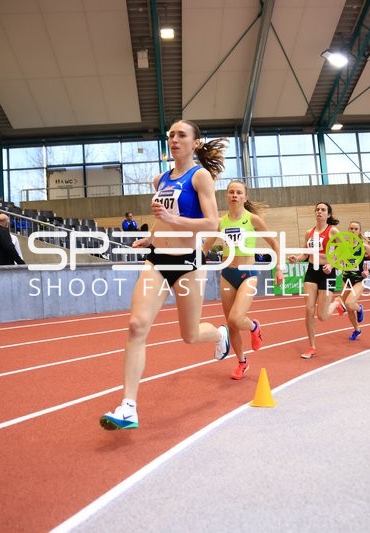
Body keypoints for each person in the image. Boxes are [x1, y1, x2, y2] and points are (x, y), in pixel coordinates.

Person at [100, 119, 229, 430]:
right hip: (157, 259)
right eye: (171, 134)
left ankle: (219, 334)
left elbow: (212, 223)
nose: (174, 139)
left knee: (190, 335)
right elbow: (162, 218)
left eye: (181, 135)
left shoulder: (200, 177)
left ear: (195, 143)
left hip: (188, 262)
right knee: (136, 325)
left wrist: (174, 218)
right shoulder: (160, 179)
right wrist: (153, 234)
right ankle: (128, 407)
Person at [202, 180, 284, 380]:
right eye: (231, 192)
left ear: (244, 197)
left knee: (236, 319)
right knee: (231, 326)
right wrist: (193, 261)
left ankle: (254, 326)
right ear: (226, 196)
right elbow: (205, 247)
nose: (234, 195)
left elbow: (275, 243)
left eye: (239, 192)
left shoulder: (252, 219)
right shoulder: (221, 222)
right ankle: (242, 363)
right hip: (227, 275)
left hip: (248, 274)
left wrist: (279, 268)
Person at [287, 202, 346, 359]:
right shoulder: (309, 232)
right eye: (317, 209)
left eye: (323, 210)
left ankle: (337, 303)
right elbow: (305, 254)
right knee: (308, 309)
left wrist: (332, 265)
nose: (319, 212)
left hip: (327, 273)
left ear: (328, 214)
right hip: (311, 272)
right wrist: (296, 259)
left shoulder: (333, 231)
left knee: (322, 316)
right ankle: (312, 346)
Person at [337, 221, 370, 341]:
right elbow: (337, 260)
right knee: (347, 307)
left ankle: (359, 308)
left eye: (355, 229)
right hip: (346, 280)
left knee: (350, 304)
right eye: (351, 228)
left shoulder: (364, 247)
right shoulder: (343, 246)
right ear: (348, 230)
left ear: (359, 231)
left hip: (358, 280)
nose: (353, 231)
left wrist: (369, 271)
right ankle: (357, 329)